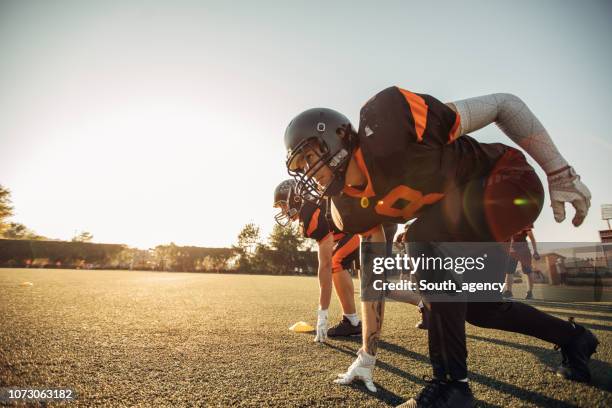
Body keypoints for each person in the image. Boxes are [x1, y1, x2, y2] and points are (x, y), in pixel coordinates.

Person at [283, 87, 597, 407]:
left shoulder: (388, 118)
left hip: (510, 181)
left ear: (335, 138)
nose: (308, 172)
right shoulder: (348, 206)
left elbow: (504, 104)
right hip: (468, 217)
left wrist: (559, 172)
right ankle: (574, 339)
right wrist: (367, 354)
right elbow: (373, 282)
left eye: (309, 156)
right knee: (480, 307)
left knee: (422, 237)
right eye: (299, 166)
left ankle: (452, 388)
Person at [273, 179, 362, 341]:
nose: (283, 210)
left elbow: (325, 265)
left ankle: (352, 321)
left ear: (296, 198)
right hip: (355, 232)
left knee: (335, 262)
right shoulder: (311, 210)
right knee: (378, 286)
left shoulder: (310, 213)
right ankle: (352, 320)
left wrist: (323, 312)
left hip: (361, 232)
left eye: (283, 205)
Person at [503, 225, 541, 299]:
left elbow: (532, 238)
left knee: (528, 271)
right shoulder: (509, 223)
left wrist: (535, 251)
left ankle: (530, 293)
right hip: (513, 250)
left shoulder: (525, 222)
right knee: (509, 271)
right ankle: (509, 292)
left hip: (524, 249)